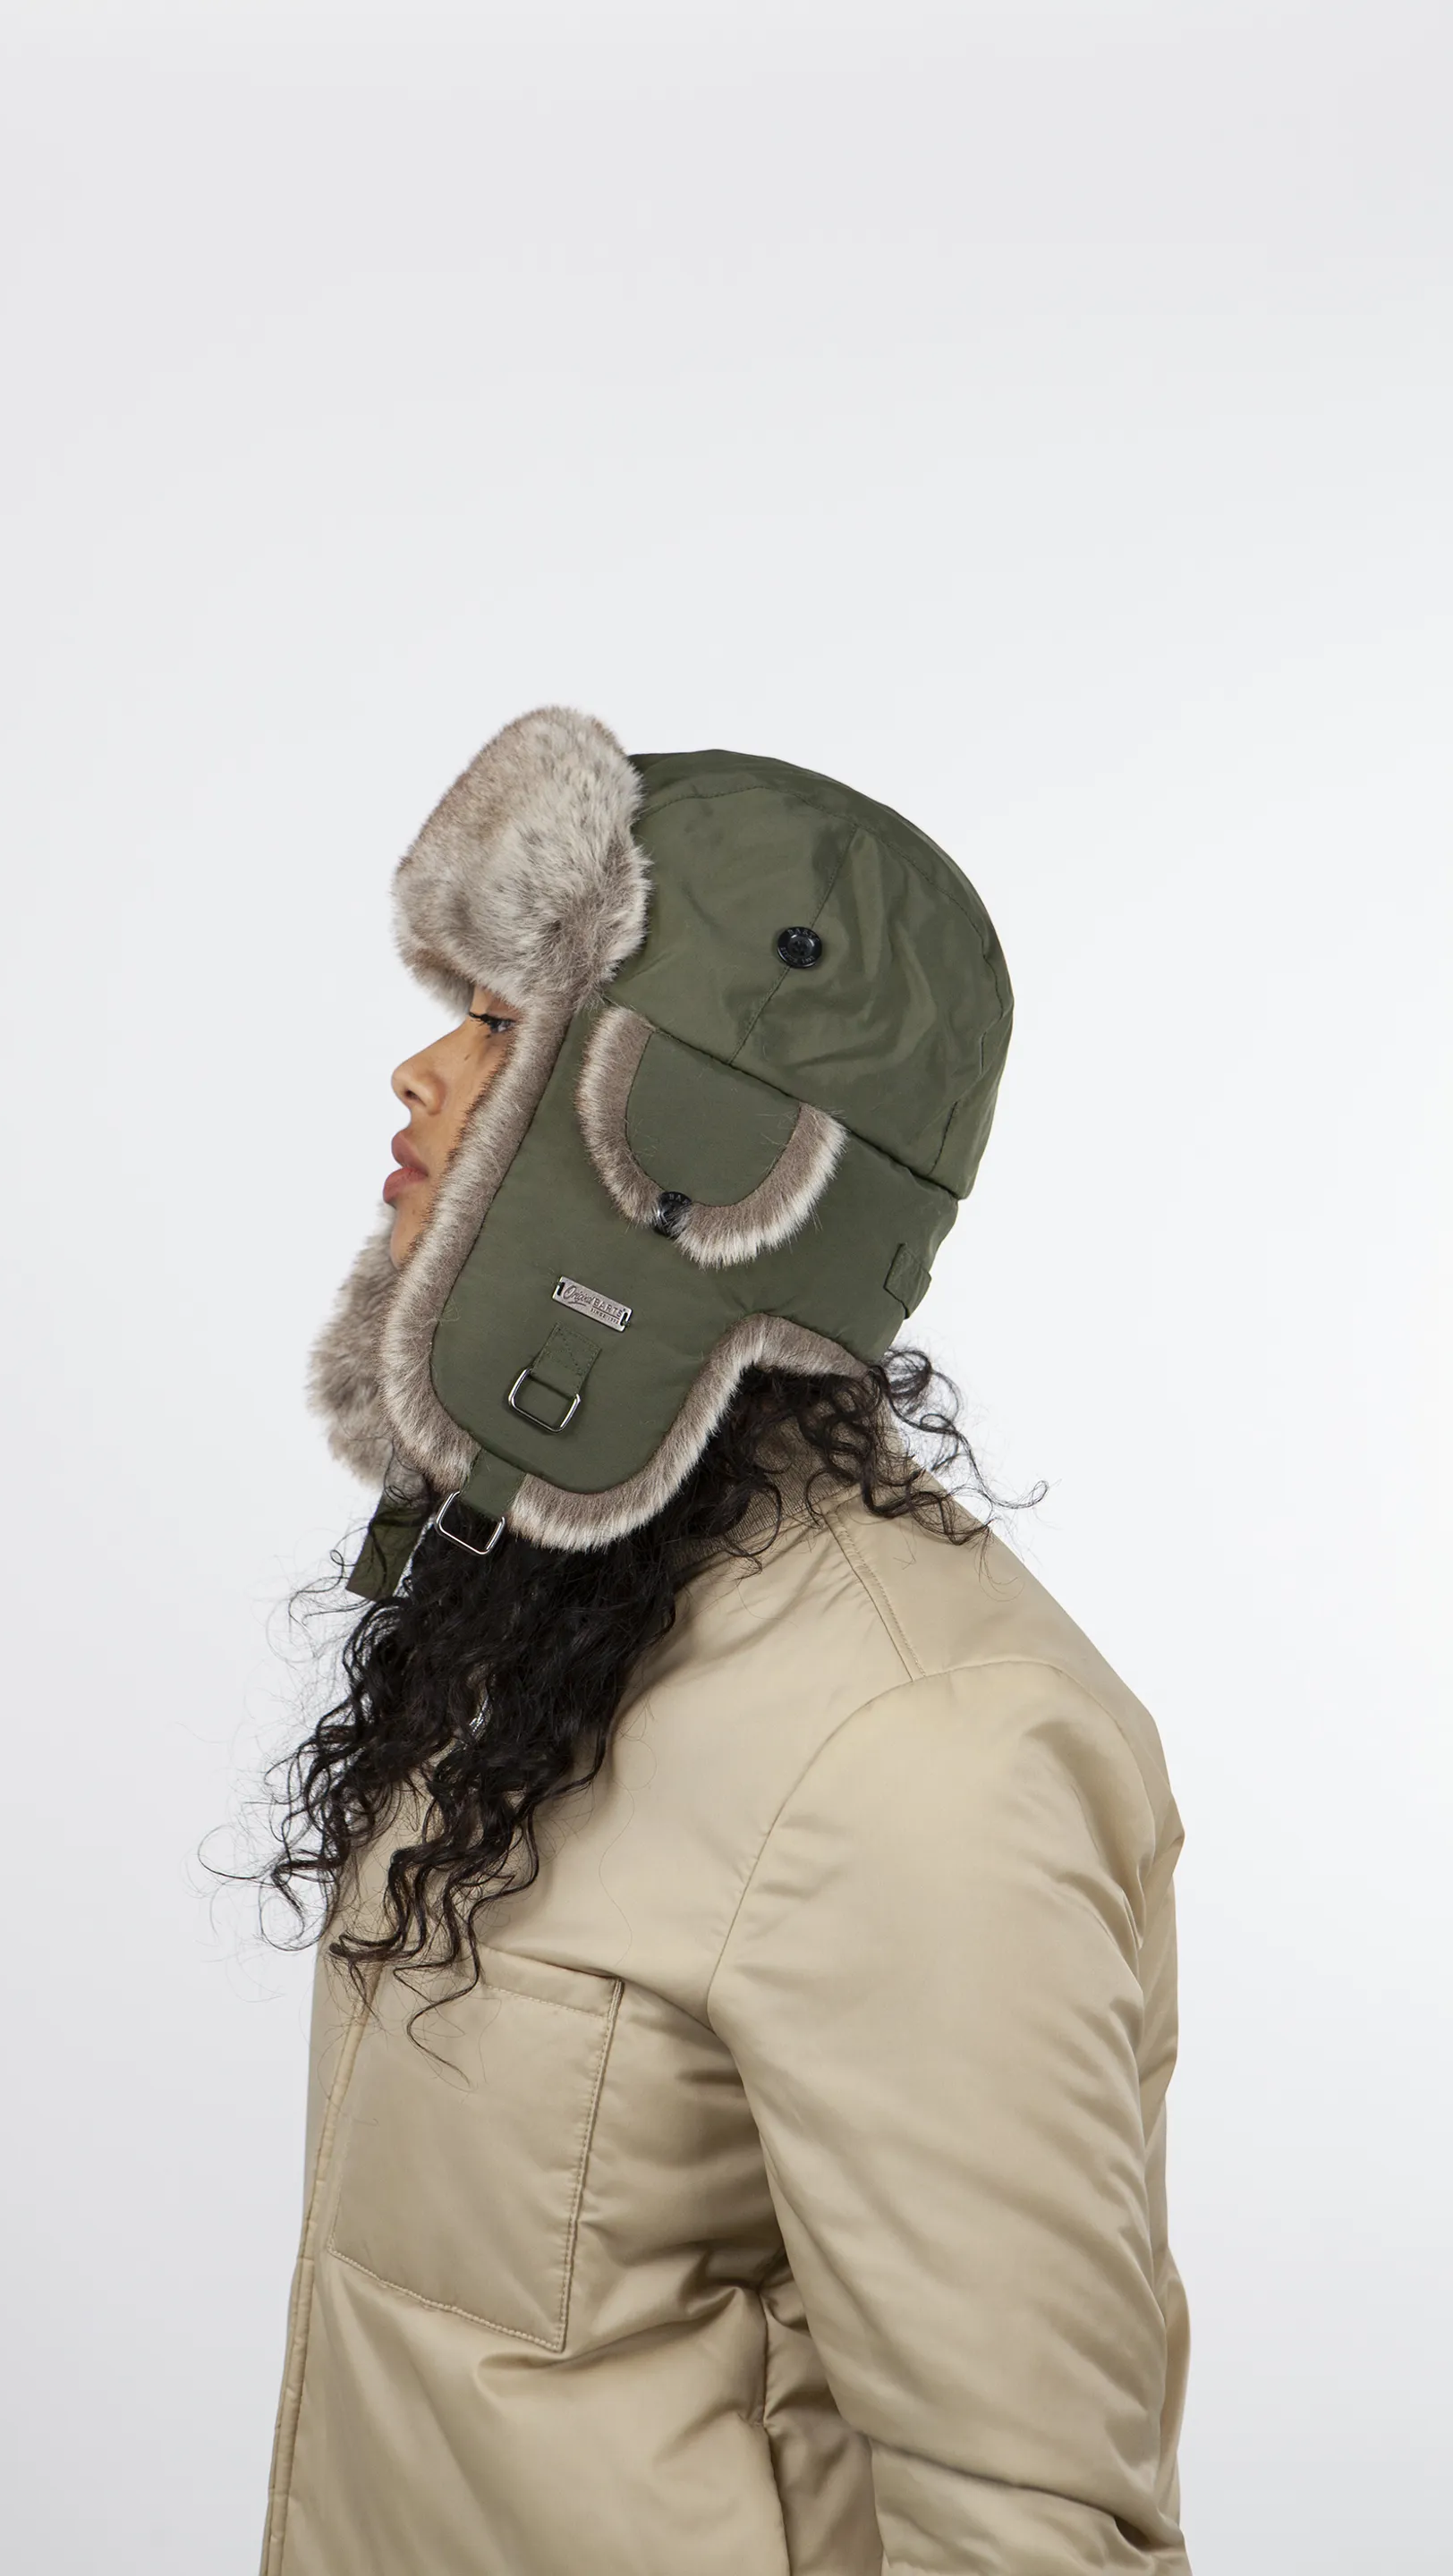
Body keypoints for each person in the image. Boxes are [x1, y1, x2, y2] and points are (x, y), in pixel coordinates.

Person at [256, 709, 1189, 2576]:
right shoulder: (563, 1619)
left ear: (686, 1142)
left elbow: (1027, 2527)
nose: (420, 1074)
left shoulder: (927, 1747)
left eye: (501, 1025)